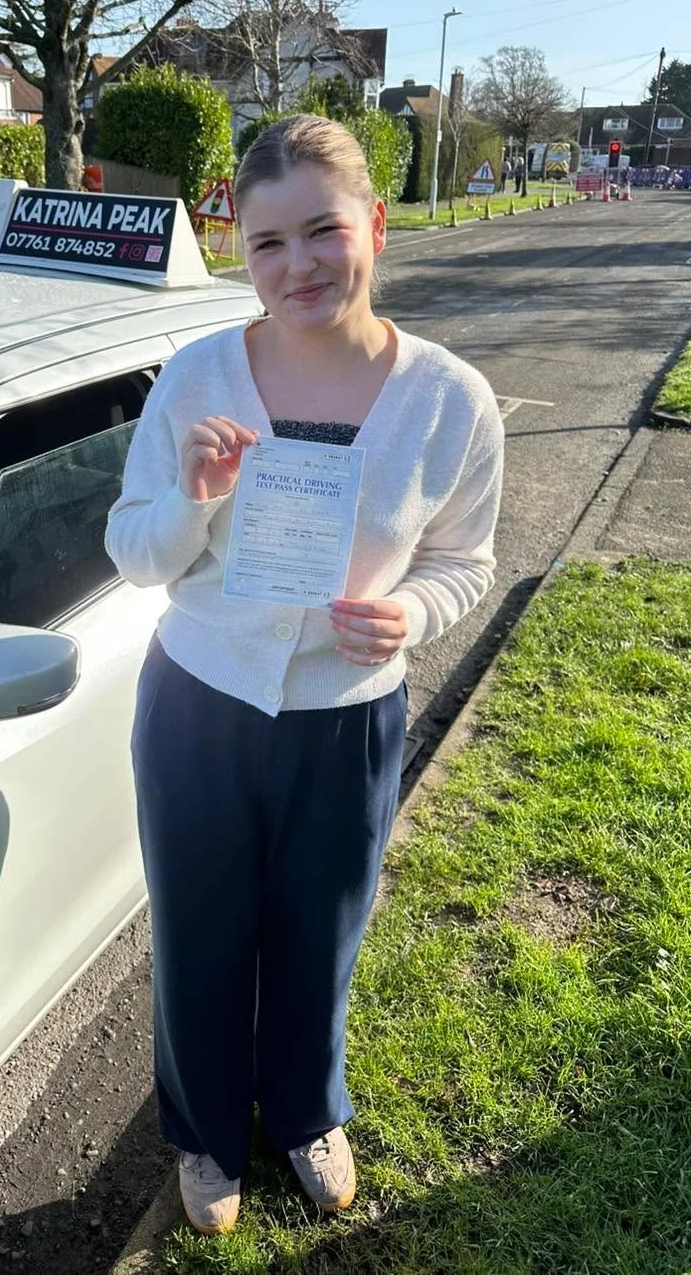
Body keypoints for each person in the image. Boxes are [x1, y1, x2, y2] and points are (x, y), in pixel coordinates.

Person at [105, 115, 504, 1237]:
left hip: (346, 718)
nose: (299, 267)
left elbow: (466, 561)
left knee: (321, 928)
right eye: (268, 241)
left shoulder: (449, 399)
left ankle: (304, 1113)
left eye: (323, 230)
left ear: (375, 223)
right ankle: (203, 1135)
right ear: (240, 247)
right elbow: (135, 556)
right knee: (200, 929)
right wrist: (195, 496)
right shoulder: (196, 378)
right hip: (200, 704)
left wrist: (412, 612)